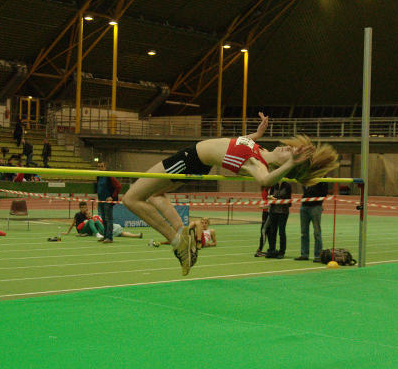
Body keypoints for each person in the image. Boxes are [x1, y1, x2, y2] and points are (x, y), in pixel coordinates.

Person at [122, 112, 339, 276]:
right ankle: (181, 234)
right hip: (196, 162)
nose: (287, 149)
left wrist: (292, 162)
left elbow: (264, 181)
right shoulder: (259, 150)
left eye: (290, 154)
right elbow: (238, 144)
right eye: (290, 149)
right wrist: (257, 134)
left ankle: (176, 242)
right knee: (156, 196)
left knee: (130, 199)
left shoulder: (259, 163)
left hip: (190, 159)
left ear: (289, 166)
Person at [295, 181, 329, 263]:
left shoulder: (321, 177)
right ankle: (304, 254)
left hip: (315, 207)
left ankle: (318, 255)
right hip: (304, 206)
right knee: (303, 232)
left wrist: (318, 203)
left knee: (317, 233)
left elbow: (324, 193)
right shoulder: (307, 176)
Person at [96, 161, 121, 244]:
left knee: (108, 219)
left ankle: (109, 237)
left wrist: (112, 197)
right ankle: (105, 236)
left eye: (102, 166)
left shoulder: (109, 176)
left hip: (107, 201)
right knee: (104, 219)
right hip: (101, 201)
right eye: (99, 166)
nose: (100, 168)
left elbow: (118, 186)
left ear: (105, 167)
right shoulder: (98, 176)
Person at [265, 181, 292, 259]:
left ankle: (282, 251)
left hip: (283, 212)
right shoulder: (274, 185)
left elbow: (288, 199)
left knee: (281, 232)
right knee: (272, 231)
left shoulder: (287, 185)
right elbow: (270, 196)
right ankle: (272, 250)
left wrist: (276, 199)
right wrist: (271, 198)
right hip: (273, 211)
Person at [254, 187, 270, 257]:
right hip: (265, 213)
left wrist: (264, 206)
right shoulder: (265, 187)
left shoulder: (271, 187)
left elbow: (272, 201)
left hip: (269, 213)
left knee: (264, 231)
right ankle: (270, 249)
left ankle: (260, 250)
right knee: (266, 231)